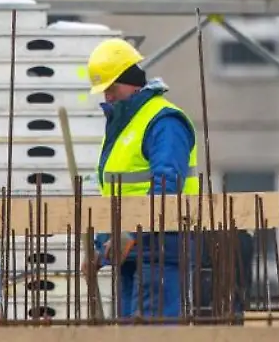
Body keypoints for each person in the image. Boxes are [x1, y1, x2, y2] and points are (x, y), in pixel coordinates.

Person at [83, 38, 198, 320]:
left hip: (160, 249)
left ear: (131, 82)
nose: (107, 96)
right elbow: (114, 192)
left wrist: (129, 235)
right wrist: (102, 246)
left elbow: (167, 183)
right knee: (129, 330)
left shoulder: (163, 121)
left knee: (151, 331)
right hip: (130, 252)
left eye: (111, 88)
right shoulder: (125, 124)